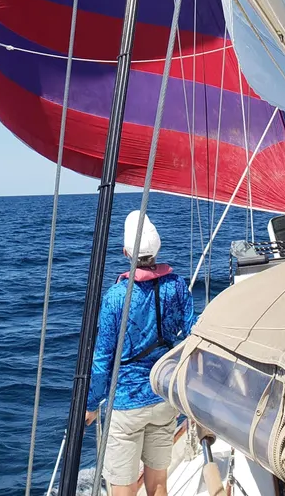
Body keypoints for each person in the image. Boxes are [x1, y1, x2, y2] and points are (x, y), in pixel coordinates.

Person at [85, 210, 195, 496]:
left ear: (125, 251)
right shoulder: (177, 286)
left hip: (126, 405)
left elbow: (102, 359)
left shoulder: (116, 297)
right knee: (158, 482)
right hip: (163, 396)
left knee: (122, 486)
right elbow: (194, 333)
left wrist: (92, 403)